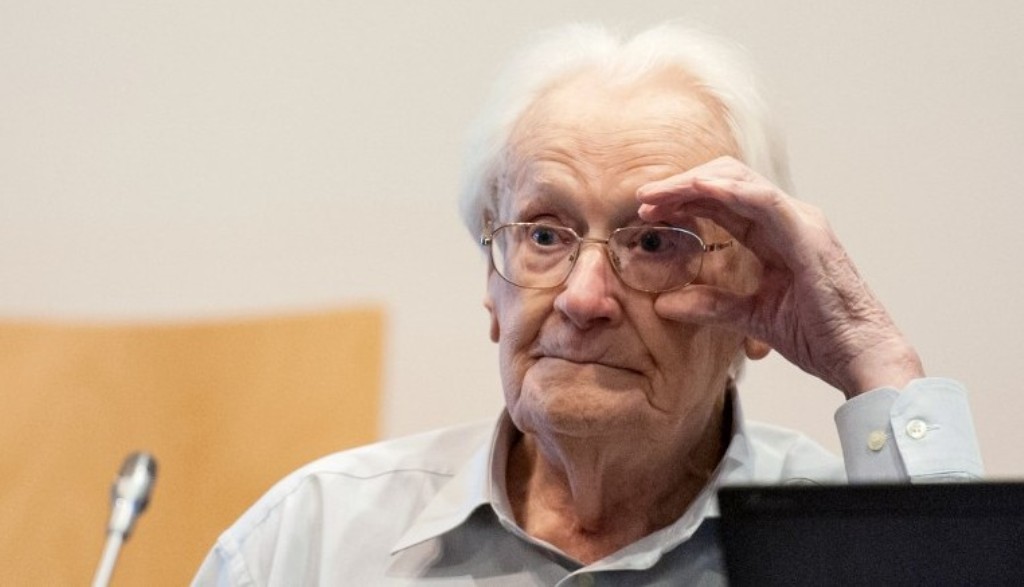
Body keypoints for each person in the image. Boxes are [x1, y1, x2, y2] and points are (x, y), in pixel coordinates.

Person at [193, 22, 982, 585]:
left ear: (756, 297)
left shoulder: (853, 547)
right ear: (491, 287)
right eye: (544, 233)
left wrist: (876, 361)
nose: (582, 296)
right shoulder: (311, 542)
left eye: (655, 241)